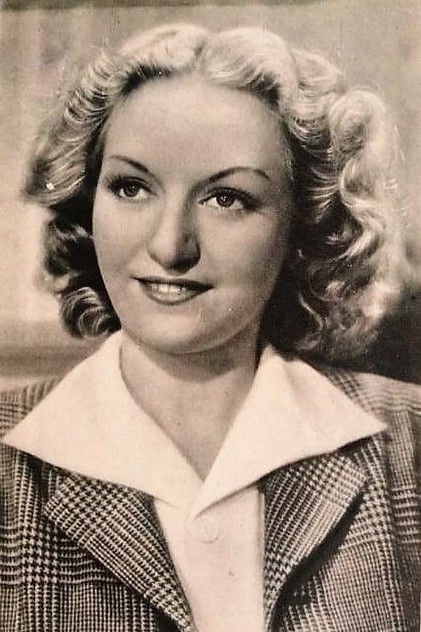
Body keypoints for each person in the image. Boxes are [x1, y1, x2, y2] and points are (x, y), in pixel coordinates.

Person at [0, 23, 420, 632]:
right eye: (131, 187)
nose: (170, 246)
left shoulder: (409, 443)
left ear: (302, 224)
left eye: (227, 198)